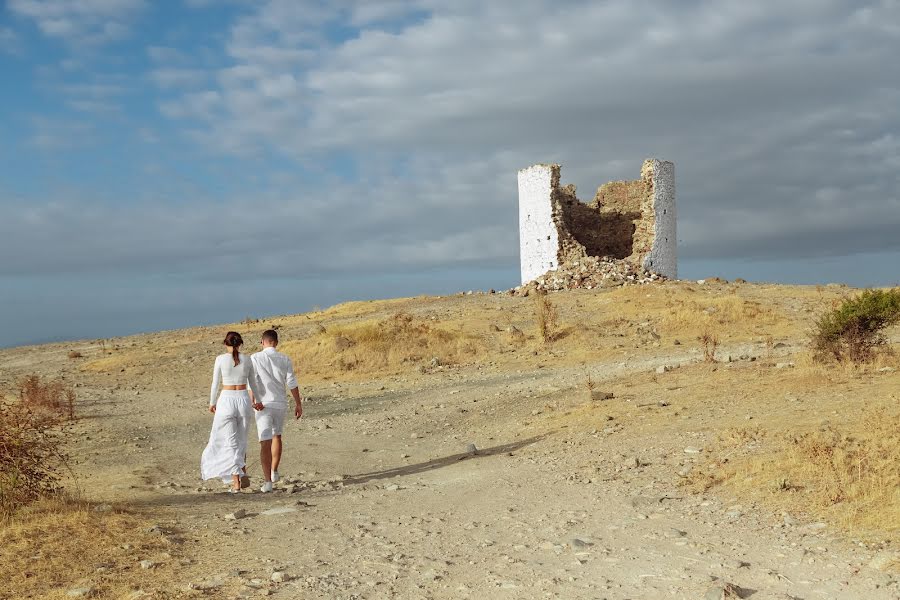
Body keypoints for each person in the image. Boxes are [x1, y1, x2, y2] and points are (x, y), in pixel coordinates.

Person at [201, 331, 264, 493]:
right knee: (241, 440)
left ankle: (236, 482)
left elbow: (215, 383)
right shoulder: (247, 359)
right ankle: (241, 472)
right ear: (240, 344)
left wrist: (212, 402)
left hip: (226, 400)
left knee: (230, 441)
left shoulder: (220, 359)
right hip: (243, 399)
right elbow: (253, 383)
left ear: (225, 344)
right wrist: (258, 399)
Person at [250, 329, 303, 493]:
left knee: (264, 441)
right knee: (277, 436)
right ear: (276, 342)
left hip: (263, 404)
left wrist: (253, 400)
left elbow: (252, 381)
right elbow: (291, 382)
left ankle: (267, 482)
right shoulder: (285, 358)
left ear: (262, 342)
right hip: (280, 403)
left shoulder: (255, 358)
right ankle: (274, 471)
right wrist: (298, 404)